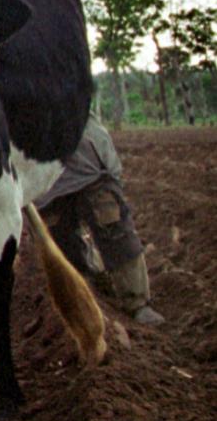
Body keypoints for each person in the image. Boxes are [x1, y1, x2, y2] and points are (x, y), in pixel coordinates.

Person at [36, 116, 165, 326]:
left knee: (114, 229)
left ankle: (137, 301)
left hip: (89, 161)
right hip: (45, 176)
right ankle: (91, 289)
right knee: (61, 241)